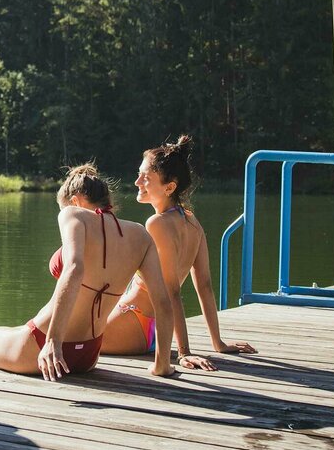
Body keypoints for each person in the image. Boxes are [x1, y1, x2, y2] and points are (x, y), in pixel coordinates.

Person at [0, 164, 176, 381]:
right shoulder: (140, 235)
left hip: (43, 346)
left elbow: (74, 269)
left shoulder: (73, 215)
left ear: (75, 201)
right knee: (11, 330)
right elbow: (163, 302)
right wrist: (162, 364)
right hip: (88, 355)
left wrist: (53, 342)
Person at [101, 135, 257, 369]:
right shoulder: (192, 222)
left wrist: (183, 353)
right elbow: (205, 286)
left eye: (146, 177)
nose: (137, 182)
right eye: (139, 174)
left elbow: (170, 291)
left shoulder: (157, 223)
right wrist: (218, 343)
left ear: (170, 187)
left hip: (136, 322)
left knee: (64, 339)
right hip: (149, 329)